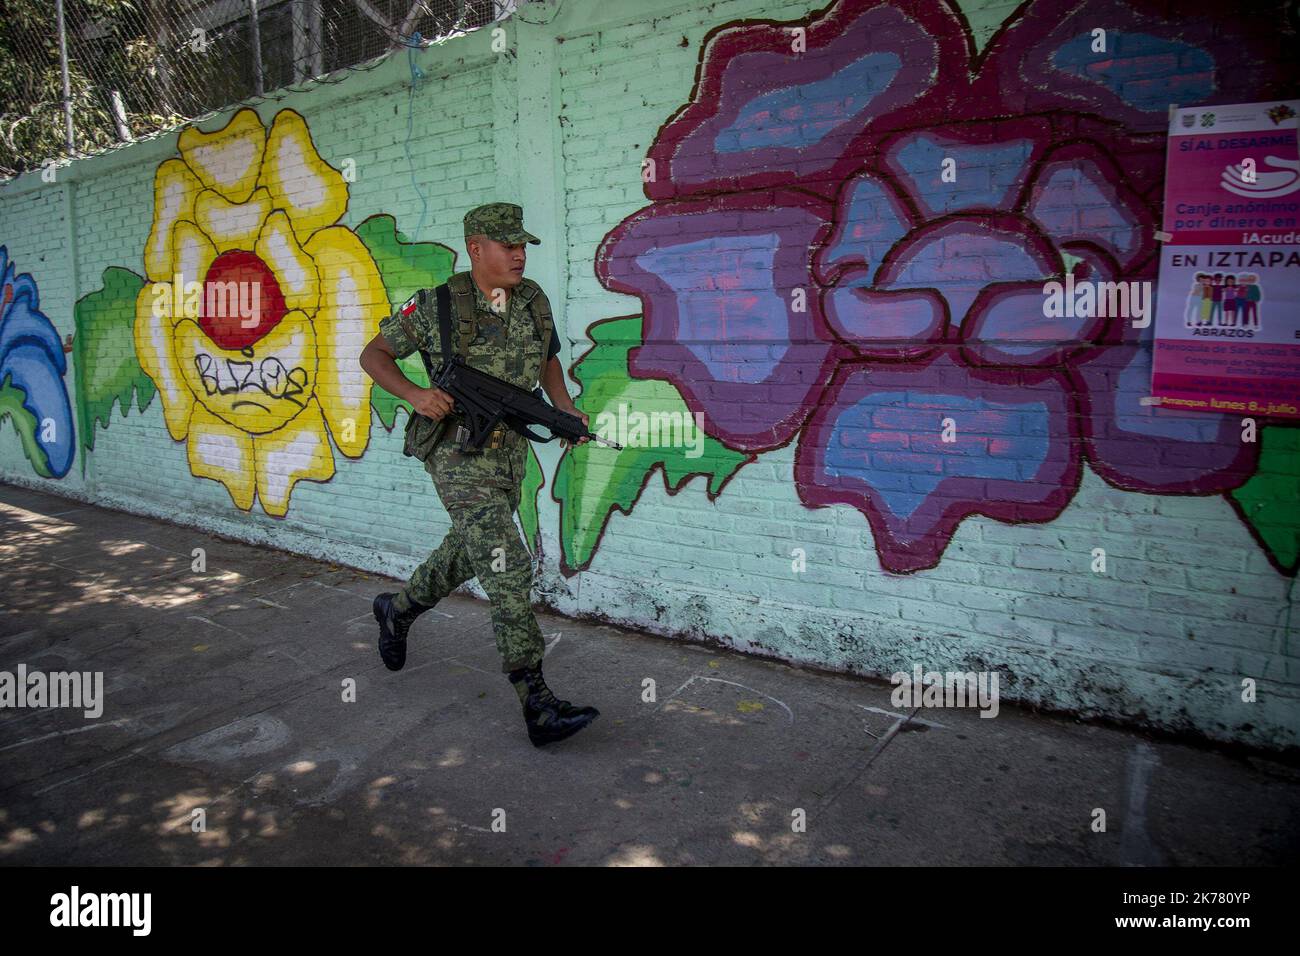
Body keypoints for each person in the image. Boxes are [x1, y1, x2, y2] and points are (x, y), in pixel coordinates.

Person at [358, 202, 599, 747]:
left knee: (466, 550)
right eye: (507, 245)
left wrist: (564, 409)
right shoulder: (437, 306)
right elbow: (373, 355)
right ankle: (536, 703)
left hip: (511, 453)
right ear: (475, 248)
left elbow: (548, 360)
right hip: (458, 455)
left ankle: (396, 611)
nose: (518, 254)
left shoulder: (532, 299)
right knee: (507, 565)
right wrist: (416, 395)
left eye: (522, 245)